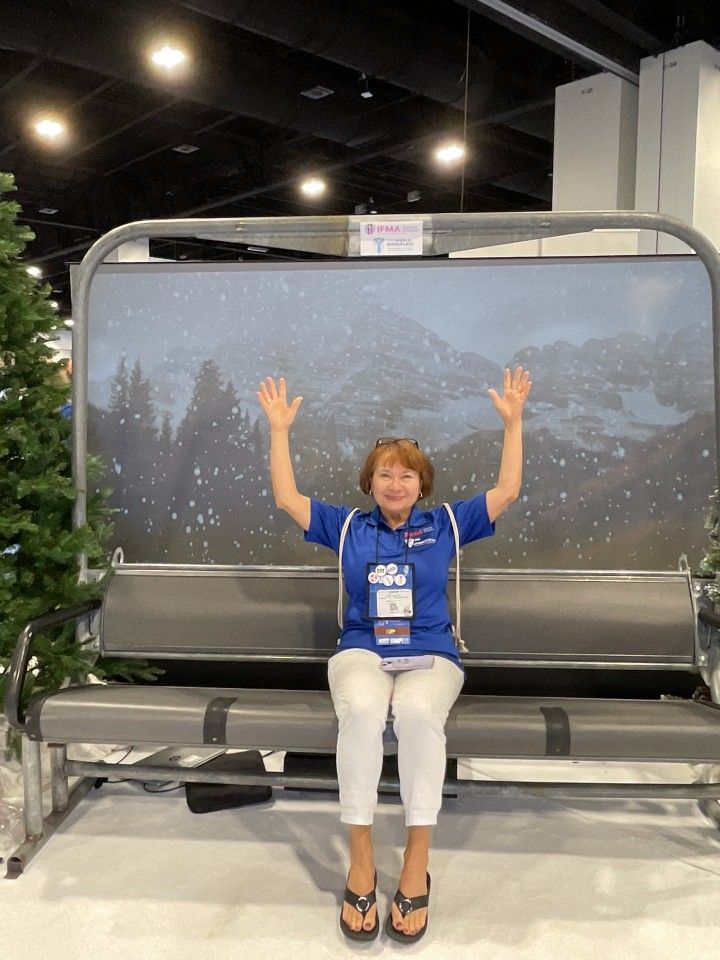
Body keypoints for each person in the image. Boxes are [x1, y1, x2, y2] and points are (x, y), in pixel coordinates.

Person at [257, 368, 531, 943]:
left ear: (421, 484)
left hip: (431, 652)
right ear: (371, 481)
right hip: (361, 647)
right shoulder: (349, 526)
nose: (396, 483)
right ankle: (360, 858)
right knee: (360, 709)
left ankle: (414, 860)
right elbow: (286, 497)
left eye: (407, 474)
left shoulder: (447, 523)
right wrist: (279, 430)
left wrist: (513, 423)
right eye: (386, 473)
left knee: (416, 715)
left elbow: (506, 492)